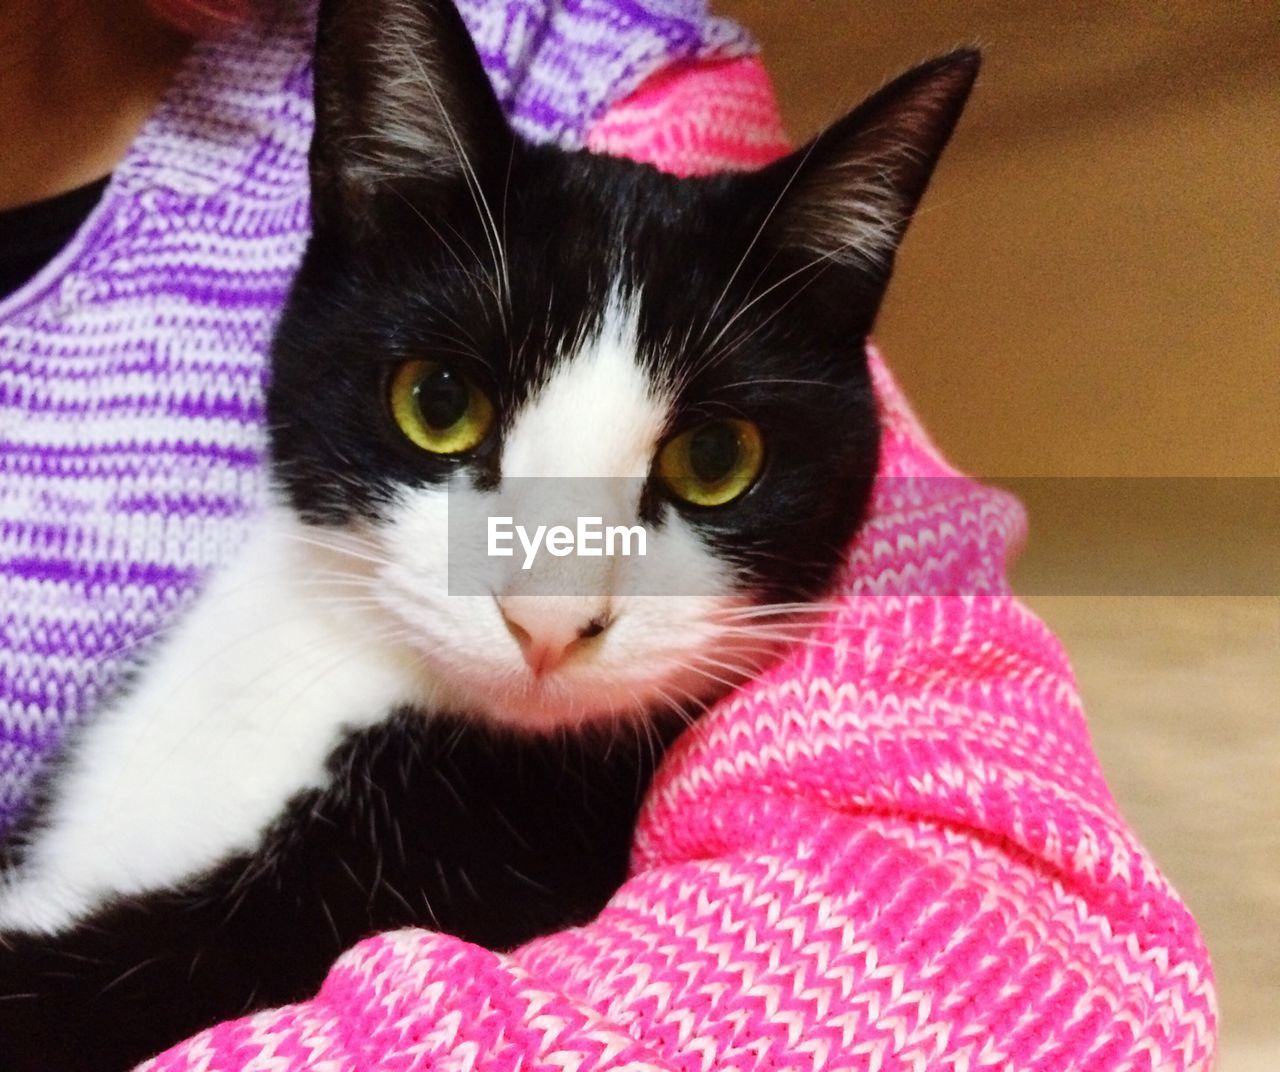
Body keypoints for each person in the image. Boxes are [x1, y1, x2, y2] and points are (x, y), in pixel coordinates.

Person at [0, 2, 1217, 1069]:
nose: (548, 602)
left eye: (705, 464)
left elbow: (1023, 957)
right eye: (444, 412)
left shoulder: (588, 71)